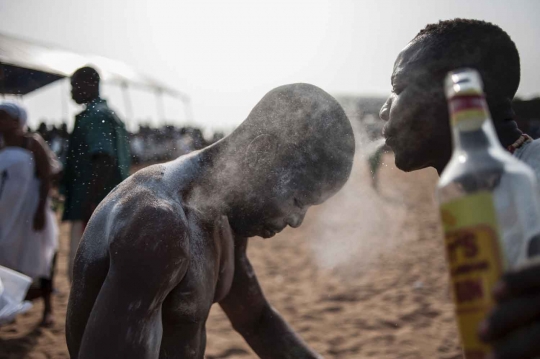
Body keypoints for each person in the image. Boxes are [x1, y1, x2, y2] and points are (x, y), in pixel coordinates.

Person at [66, 83, 355, 359]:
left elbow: (257, 321)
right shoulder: (158, 227)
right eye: (298, 201)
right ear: (260, 153)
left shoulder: (225, 215)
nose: (296, 221)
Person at [379, 19, 540, 359]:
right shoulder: (479, 193)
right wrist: (257, 320)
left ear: (455, 89)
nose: (383, 110)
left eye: (397, 88)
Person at [62, 66, 131, 282]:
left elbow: (104, 158)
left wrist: (91, 202)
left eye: (74, 86)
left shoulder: (94, 116)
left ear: (90, 84)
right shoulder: (108, 113)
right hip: (111, 204)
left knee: (86, 276)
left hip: (95, 208)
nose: (71, 92)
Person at [0, 102, 59, 326]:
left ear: (18, 121)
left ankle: (47, 309)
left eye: (3, 117)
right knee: (4, 255)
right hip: (5, 210)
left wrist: (40, 209)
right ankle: (8, 305)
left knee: (37, 255)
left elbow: (47, 176)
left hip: (29, 209)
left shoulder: (32, 142)